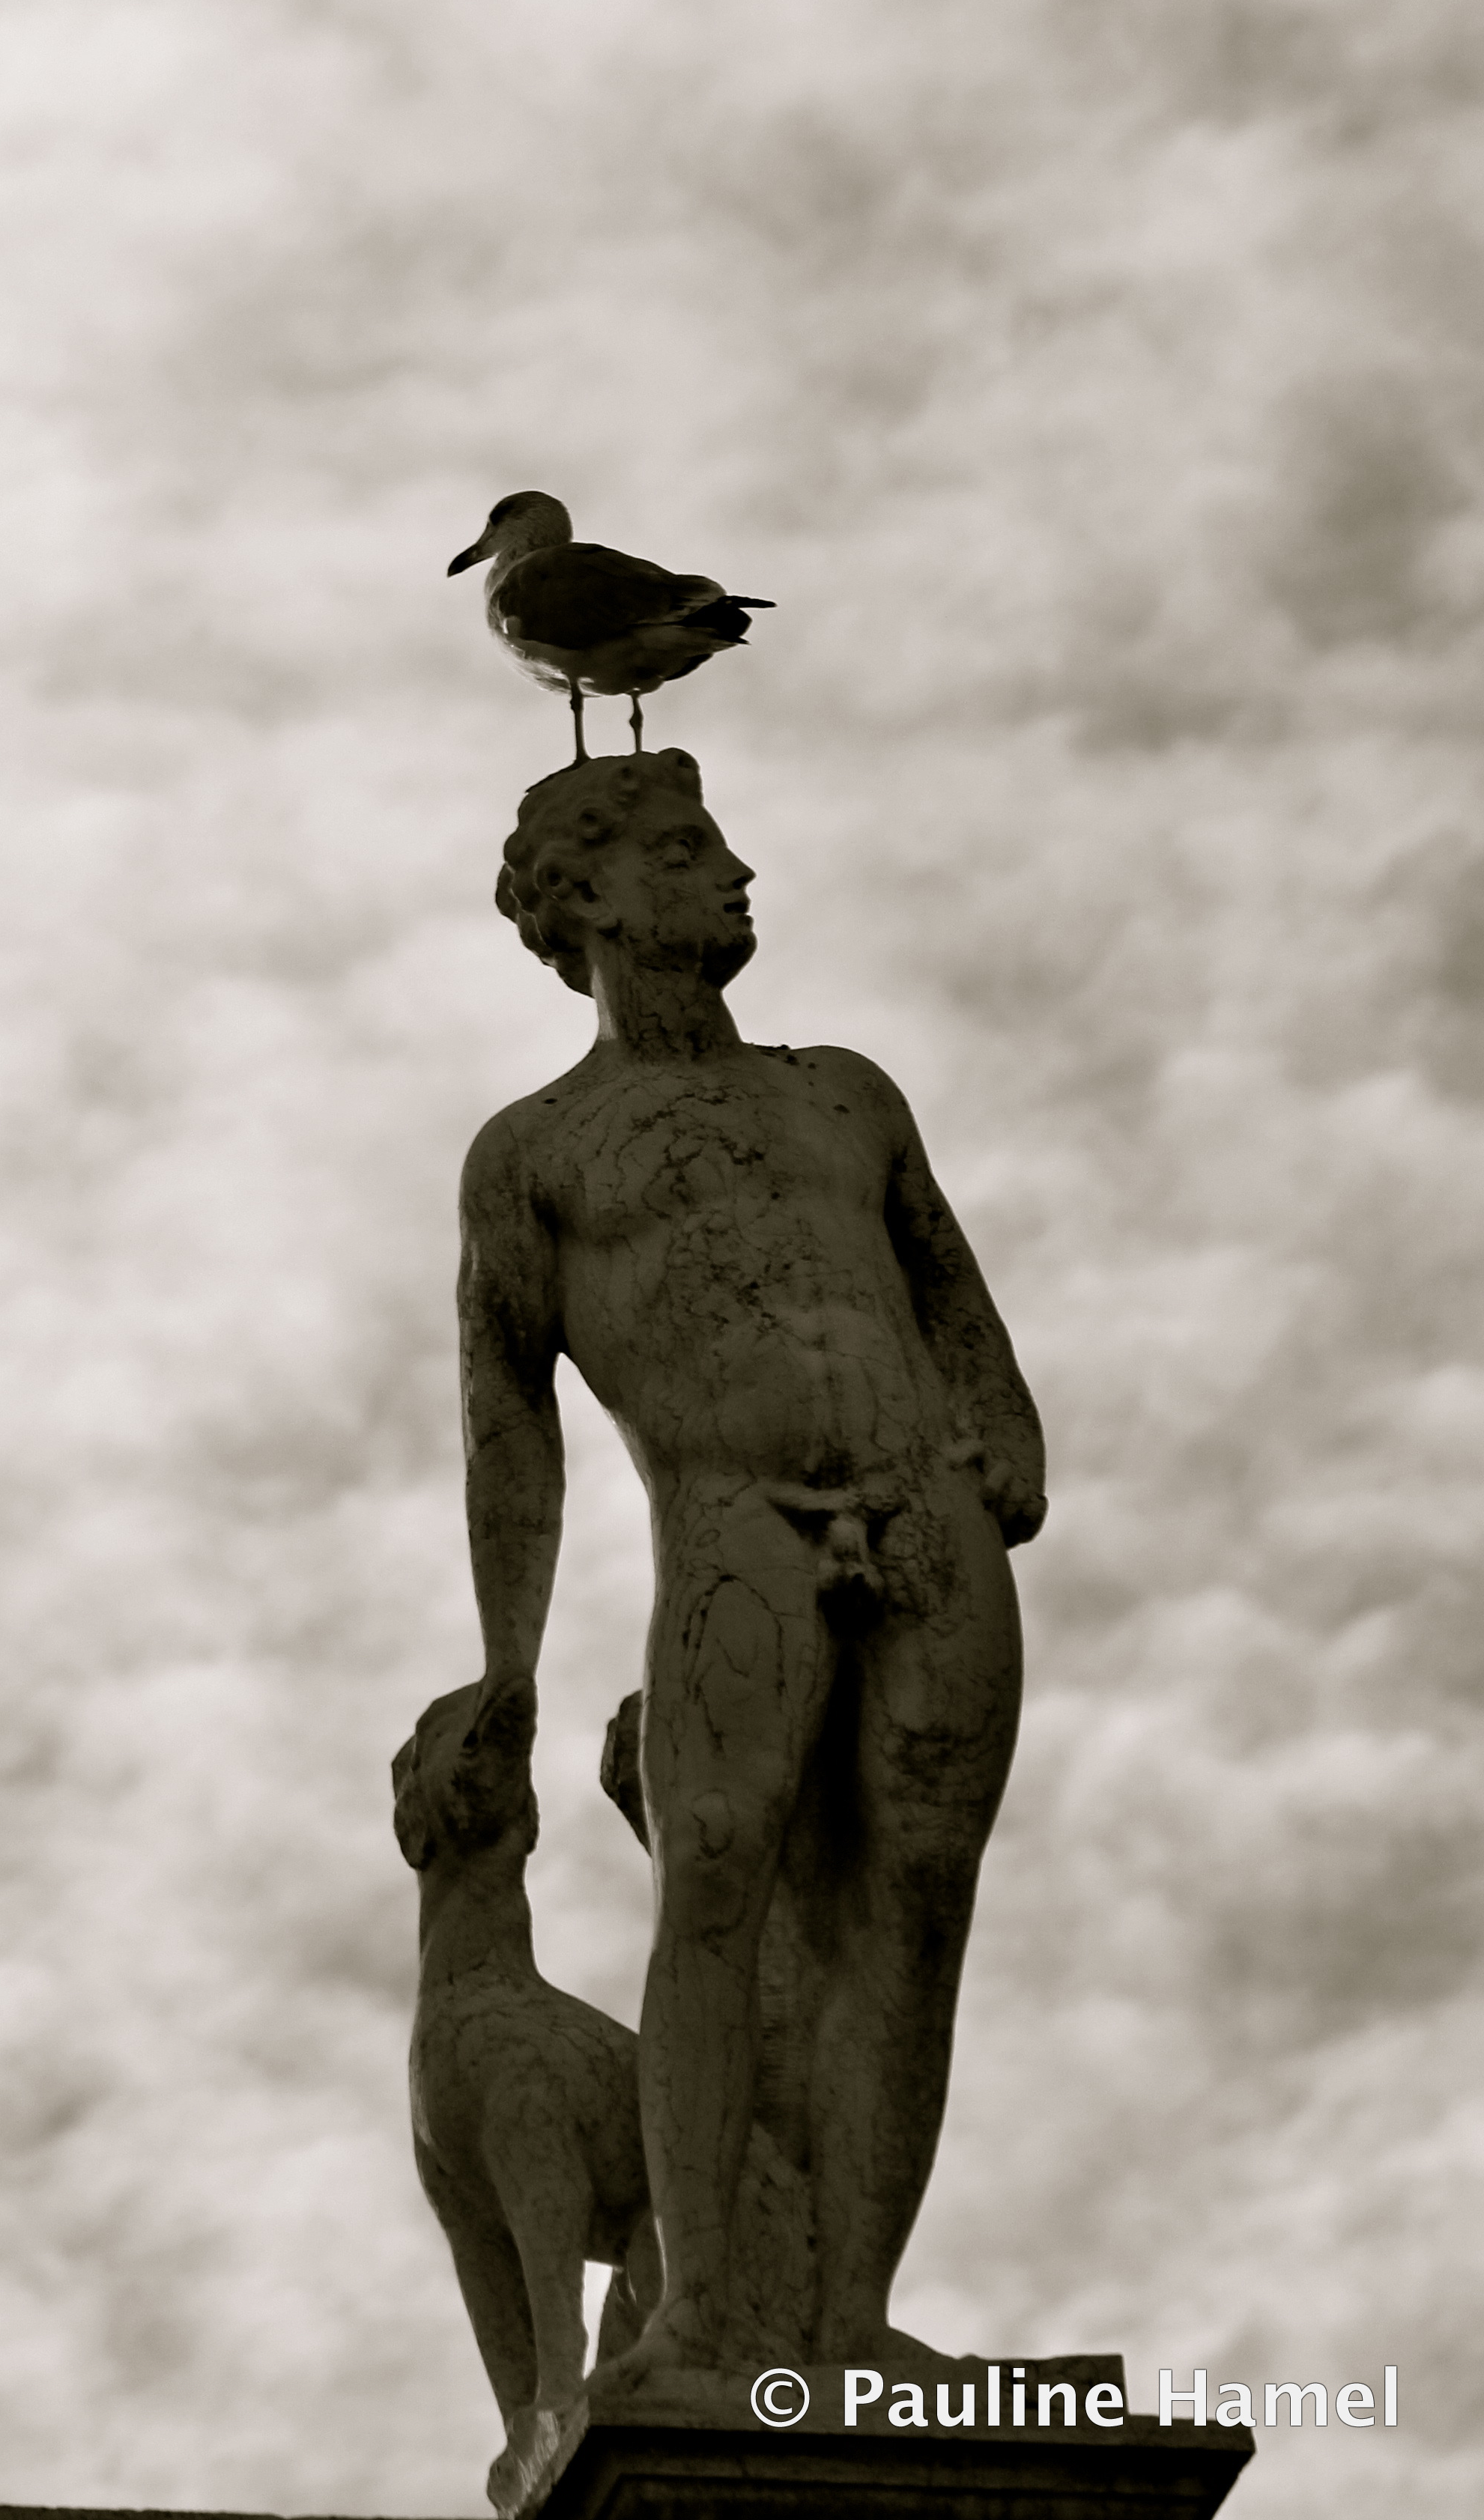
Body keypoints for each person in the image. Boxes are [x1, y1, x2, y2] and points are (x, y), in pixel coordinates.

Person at [454, 749, 1045, 2381]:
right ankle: (706, 2309)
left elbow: (945, 1284)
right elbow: (508, 1422)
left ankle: (852, 2321)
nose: (735, 873)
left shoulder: (846, 1092)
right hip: (734, 1535)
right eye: (689, 850)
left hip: (929, 1523)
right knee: (711, 1878)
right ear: (588, 899)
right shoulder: (537, 1151)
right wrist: (511, 1657)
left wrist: (1006, 1427)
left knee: (912, 1912)